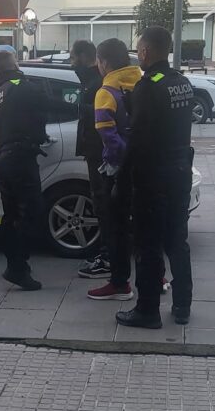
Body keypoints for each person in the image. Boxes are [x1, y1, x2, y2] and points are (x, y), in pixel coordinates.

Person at [117, 26, 194, 329]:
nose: (138, 55)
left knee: (148, 244)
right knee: (177, 240)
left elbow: (139, 139)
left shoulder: (148, 86)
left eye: (139, 50)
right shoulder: (182, 82)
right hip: (179, 172)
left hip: (153, 177)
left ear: (147, 51)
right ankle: (183, 304)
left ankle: (147, 309)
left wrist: (123, 181)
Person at [0, 51, 63, 290]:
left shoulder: (0, 92)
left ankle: (15, 266)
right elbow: (51, 105)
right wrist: (88, 107)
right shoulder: (21, 85)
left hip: (4, 159)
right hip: (21, 158)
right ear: (14, 65)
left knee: (10, 216)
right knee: (32, 212)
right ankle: (18, 267)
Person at [85, 39, 142, 301]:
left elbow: (107, 133)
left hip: (118, 170)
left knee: (115, 228)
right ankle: (157, 276)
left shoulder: (106, 91)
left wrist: (120, 164)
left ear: (104, 62)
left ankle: (119, 284)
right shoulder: (143, 82)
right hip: (146, 166)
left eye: (98, 61)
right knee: (140, 226)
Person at [70, 41, 110, 279]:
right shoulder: (89, 81)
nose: (72, 64)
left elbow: (99, 115)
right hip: (93, 151)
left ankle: (107, 257)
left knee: (104, 205)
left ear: (86, 56)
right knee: (99, 203)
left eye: (74, 58)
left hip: (100, 153)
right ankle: (105, 253)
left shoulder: (97, 83)